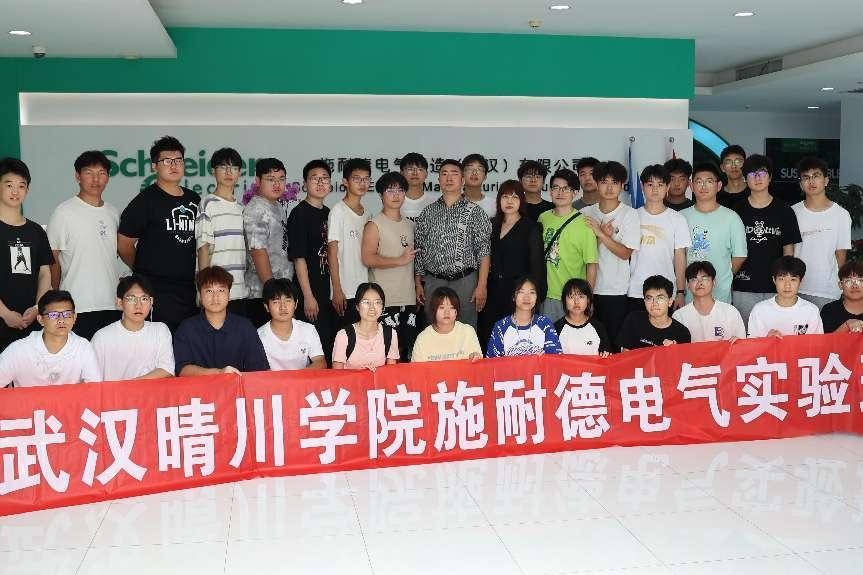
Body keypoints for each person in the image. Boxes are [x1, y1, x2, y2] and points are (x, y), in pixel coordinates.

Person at [118, 136, 200, 333]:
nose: (174, 165)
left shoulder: (194, 199)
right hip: (156, 290)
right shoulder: (144, 201)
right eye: (167, 161)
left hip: (189, 290)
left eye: (178, 160)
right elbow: (124, 244)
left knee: (187, 342)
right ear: (154, 166)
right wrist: (143, 269)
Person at [46, 150, 120, 339]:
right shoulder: (63, 213)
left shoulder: (113, 212)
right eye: (89, 173)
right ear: (77, 176)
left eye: (101, 173)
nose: (96, 179)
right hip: (78, 306)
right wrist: (56, 300)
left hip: (112, 304)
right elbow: (52, 259)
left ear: (108, 177)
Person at [414, 159, 491, 330]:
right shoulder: (428, 212)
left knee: (465, 331)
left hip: (466, 282)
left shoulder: (475, 212)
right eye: (444, 174)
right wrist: (418, 283)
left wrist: (481, 286)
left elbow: (484, 251)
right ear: (439, 180)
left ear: (462, 179)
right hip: (433, 281)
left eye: (454, 174)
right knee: (434, 330)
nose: (449, 178)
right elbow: (419, 249)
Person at [731, 154, 801, 325]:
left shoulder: (785, 210)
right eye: (752, 174)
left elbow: (788, 250)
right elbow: (730, 250)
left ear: (770, 177)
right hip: (743, 286)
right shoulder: (736, 211)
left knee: (775, 334)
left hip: (775, 288)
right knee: (746, 333)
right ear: (745, 179)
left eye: (762, 173)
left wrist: (785, 281)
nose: (757, 178)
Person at [581, 161, 641, 349]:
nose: (609, 187)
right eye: (604, 182)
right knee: (589, 345)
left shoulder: (630, 214)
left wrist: (600, 234)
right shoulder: (585, 213)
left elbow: (625, 253)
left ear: (622, 185)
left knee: (613, 345)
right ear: (596, 183)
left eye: (614, 182)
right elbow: (582, 253)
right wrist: (602, 237)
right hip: (588, 289)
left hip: (616, 290)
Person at [362, 171, 419, 359]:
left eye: (400, 190)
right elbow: (368, 258)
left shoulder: (410, 225)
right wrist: (398, 260)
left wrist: (417, 286)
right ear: (380, 195)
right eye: (390, 190)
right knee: (385, 353)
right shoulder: (374, 224)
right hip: (384, 301)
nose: (396, 195)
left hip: (408, 299)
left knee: (407, 352)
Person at [173, 266, 270, 375]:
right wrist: (219, 373)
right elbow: (182, 370)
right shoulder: (187, 329)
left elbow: (261, 369)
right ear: (200, 296)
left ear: (229, 295)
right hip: (199, 386)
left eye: (221, 290)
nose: (215, 297)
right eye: (209, 291)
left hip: (237, 386)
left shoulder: (244, 327)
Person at [482, 180, 545, 345]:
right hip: (492, 292)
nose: (509, 201)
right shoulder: (491, 224)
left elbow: (537, 267)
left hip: (517, 293)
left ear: (521, 201)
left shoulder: (530, 227)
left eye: (514, 197)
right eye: (505, 197)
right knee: (491, 338)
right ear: (499, 200)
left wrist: (534, 295)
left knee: (514, 339)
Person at [0, 157, 52, 352]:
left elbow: (45, 273)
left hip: (31, 322)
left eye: (21, 186)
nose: (15, 191)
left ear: (27, 190)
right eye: (9, 185)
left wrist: (38, 307)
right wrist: (5, 314)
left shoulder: (36, 231)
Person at [288, 159, 337, 364]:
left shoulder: (330, 213)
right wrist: (308, 296)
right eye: (315, 178)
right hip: (310, 293)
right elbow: (299, 258)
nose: (320, 182)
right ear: (305, 184)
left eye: (325, 178)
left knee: (329, 346)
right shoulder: (299, 214)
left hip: (328, 293)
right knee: (313, 350)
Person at [0, 290, 99, 387]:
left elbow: (95, 389)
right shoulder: (18, 350)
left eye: (67, 314)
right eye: (53, 315)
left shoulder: (83, 347)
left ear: (74, 317)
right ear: (40, 319)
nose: (61, 320)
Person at [628, 164, 690, 313]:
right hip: (636, 290)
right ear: (642, 186)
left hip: (666, 291)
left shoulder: (677, 219)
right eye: (650, 184)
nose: (655, 189)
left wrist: (680, 291)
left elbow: (680, 256)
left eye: (660, 185)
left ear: (667, 187)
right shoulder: (631, 216)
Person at [682, 162, 747, 304]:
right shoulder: (681, 217)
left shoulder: (731, 217)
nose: (703, 186)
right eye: (699, 181)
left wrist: (724, 276)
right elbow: (676, 256)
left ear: (718, 186)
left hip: (720, 294)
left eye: (709, 181)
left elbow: (739, 256)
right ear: (691, 186)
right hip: (687, 295)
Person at [538, 169, 598, 322]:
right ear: (550, 191)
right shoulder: (543, 218)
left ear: (575, 192)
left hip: (573, 296)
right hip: (546, 294)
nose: (560, 192)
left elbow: (591, 264)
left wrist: (588, 298)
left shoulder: (584, 223)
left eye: (566, 188)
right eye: (556, 188)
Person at [793, 156, 851, 310]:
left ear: (826, 180)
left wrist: (843, 286)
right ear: (801, 184)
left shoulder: (841, 215)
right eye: (806, 177)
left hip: (828, 290)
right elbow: (788, 251)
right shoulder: (792, 212)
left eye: (816, 176)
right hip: (796, 288)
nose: (811, 181)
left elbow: (841, 256)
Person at [91, 275, 174, 381]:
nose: (138, 305)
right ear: (120, 303)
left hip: (150, 392)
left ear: (151, 302)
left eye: (144, 299)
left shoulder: (160, 330)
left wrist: (131, 385)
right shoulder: (102, 337)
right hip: (114, 392)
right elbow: (92, 379)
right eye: (131, 299)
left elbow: (167, 369)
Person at [196, 147, 247, 316]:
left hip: (239, 290)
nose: (229, 172)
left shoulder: (242, 208)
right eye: (223, 167)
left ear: (239, 173)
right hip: (215, 292)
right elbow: (203, 248)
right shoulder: (207, 204)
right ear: (213, 171)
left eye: (234, 167)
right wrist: (203, 288)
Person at [244, 157, 293, 328]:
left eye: (281, 179)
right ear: (258, 181)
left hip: (280, 292)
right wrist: (272, 291)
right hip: (263, 295)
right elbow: (258, 250)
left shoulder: (277, 206)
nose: (277, 184)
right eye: (271, 179)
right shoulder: (256, 209)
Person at [329, 158, 371, 326]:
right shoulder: (338, 211)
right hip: (345, 291)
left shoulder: (367, 213)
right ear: (345, 182)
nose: (362, 183)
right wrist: (337, 289)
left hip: (364, 290)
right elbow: (332, 253)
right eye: (356, 178)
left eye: (366, 179)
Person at [257, 278, 325, 370]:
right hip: (273, 379)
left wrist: (296, 377)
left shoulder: (308, 330)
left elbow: (320, 362)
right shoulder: (259, 336)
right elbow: (257, 370)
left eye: (288, 301)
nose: (283, 307)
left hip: (302, 378)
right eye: (276, 302)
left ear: (296, 304)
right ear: (267, 307)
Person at [748, 256, 823, 337]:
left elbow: (817, 343)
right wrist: (767, 340)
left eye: (793, 279)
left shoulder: (811, 311)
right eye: (782, 279)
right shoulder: (759, 310)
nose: (787, 285)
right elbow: (751, 343)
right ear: (774, 280)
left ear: (801, 281)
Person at [487, 276, 562, 357]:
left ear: (537, 297)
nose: (526, 297)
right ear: (513, 297)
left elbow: (556, 358)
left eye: (532, 292)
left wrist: (544, 358)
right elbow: (492, 361)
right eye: (521, 292)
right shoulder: (501, 327)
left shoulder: (545, 324)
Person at [672, 261, 746, 342]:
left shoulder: (730, 312)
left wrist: (739, 341)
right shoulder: (679, 316)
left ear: (713, 283)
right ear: (688, 285)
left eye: (704, 278)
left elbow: (742, 344)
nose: (700, 283)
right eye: (694, 279)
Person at [332, 282, 399, 370]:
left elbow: (390, 372)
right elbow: (337, 374)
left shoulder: (390, 334)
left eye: (377, 302)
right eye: (366, 302)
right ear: (357, 306)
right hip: (350, 380)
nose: (372, 308)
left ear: (383, 307)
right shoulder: (344, 335)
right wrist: (362, 374)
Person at [618, 275, 691, 351]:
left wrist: (674, 351)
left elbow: (683, 358)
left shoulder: (682, 333)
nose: (654, 303)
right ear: (644, 301)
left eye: (660, 298)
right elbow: (625, 354)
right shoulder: (634, 320)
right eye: (649, 298)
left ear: (670, 301)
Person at [411, 286, 483, 362]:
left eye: (451, 307)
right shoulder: (423, 338)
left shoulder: (468, 332)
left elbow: (478, 360)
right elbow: (417, 368)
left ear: (456, 311)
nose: (447, 312)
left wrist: (475, 356)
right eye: (442, 307)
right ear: (433, 310)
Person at [554, 278, 611, 356]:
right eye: (571, 297)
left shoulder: (598, 327)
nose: (576, 301)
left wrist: (606, 354)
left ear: (588, 300)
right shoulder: (556, 328)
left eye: (581, 296)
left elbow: (607, 355)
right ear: (564, 300)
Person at [821, 261, 863, 333]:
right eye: (849, 281)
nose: (855, 286)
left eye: (860, 281)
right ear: (840, 285)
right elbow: (825, 339)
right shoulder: (829, 310)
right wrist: (846, 326)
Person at [399, 153, 435, 220]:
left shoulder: (434, 203)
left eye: (420, 169)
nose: (415, 173)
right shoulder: (394, 201)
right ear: (401, 173)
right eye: (410, 169)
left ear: (426, 174)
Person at [462, 153, 496, 218]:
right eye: (470, 168)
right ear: (462, 174)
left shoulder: (494, 205)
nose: (474, 173)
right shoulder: (453, 203)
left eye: (479, 169)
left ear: (485, 177)